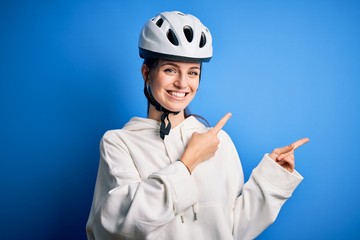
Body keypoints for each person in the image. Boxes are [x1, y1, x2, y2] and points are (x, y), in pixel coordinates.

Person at [86, 11, 309, 240]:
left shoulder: (218, 141)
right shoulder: (118, 143)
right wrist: (188, 162)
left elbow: (234, 229)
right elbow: (120, 225)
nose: (182, 83)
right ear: (147, 73)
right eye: (170, 70)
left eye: (192, 72)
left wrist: (272, 177)